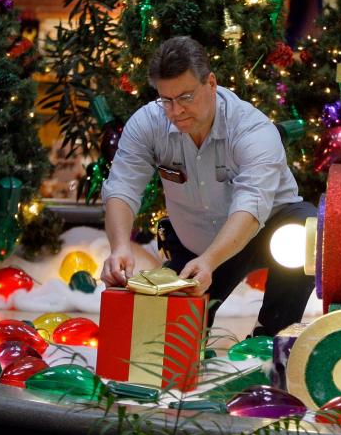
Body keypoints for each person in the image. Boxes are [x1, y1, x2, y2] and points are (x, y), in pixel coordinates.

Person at [100, 36, 316, 336]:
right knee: (165, 340)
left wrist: (211, 261)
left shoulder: (253, 129)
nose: (175, 111)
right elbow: (122, 186)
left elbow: (251, 205)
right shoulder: (147, 124)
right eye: (167, 100)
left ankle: (273, 334)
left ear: (211, 83)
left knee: (306, 227)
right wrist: (120, 246)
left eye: (186, 97)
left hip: (266, 232)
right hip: (196, 244)